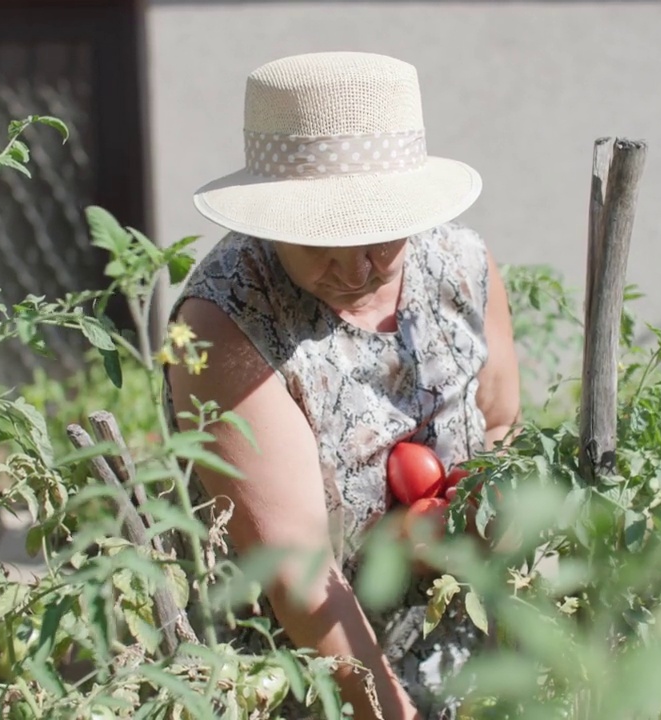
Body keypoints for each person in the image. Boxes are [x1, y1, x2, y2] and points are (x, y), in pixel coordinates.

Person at [162, 51, 521, 720]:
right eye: (323, 236)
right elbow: (298, 576)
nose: (356, 267)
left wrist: (472, 519)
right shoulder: (229, 319)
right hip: (310, 684)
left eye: (380, 234)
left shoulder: (462, 265)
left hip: (465, 661)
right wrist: (386, 709)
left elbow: (501, 426)